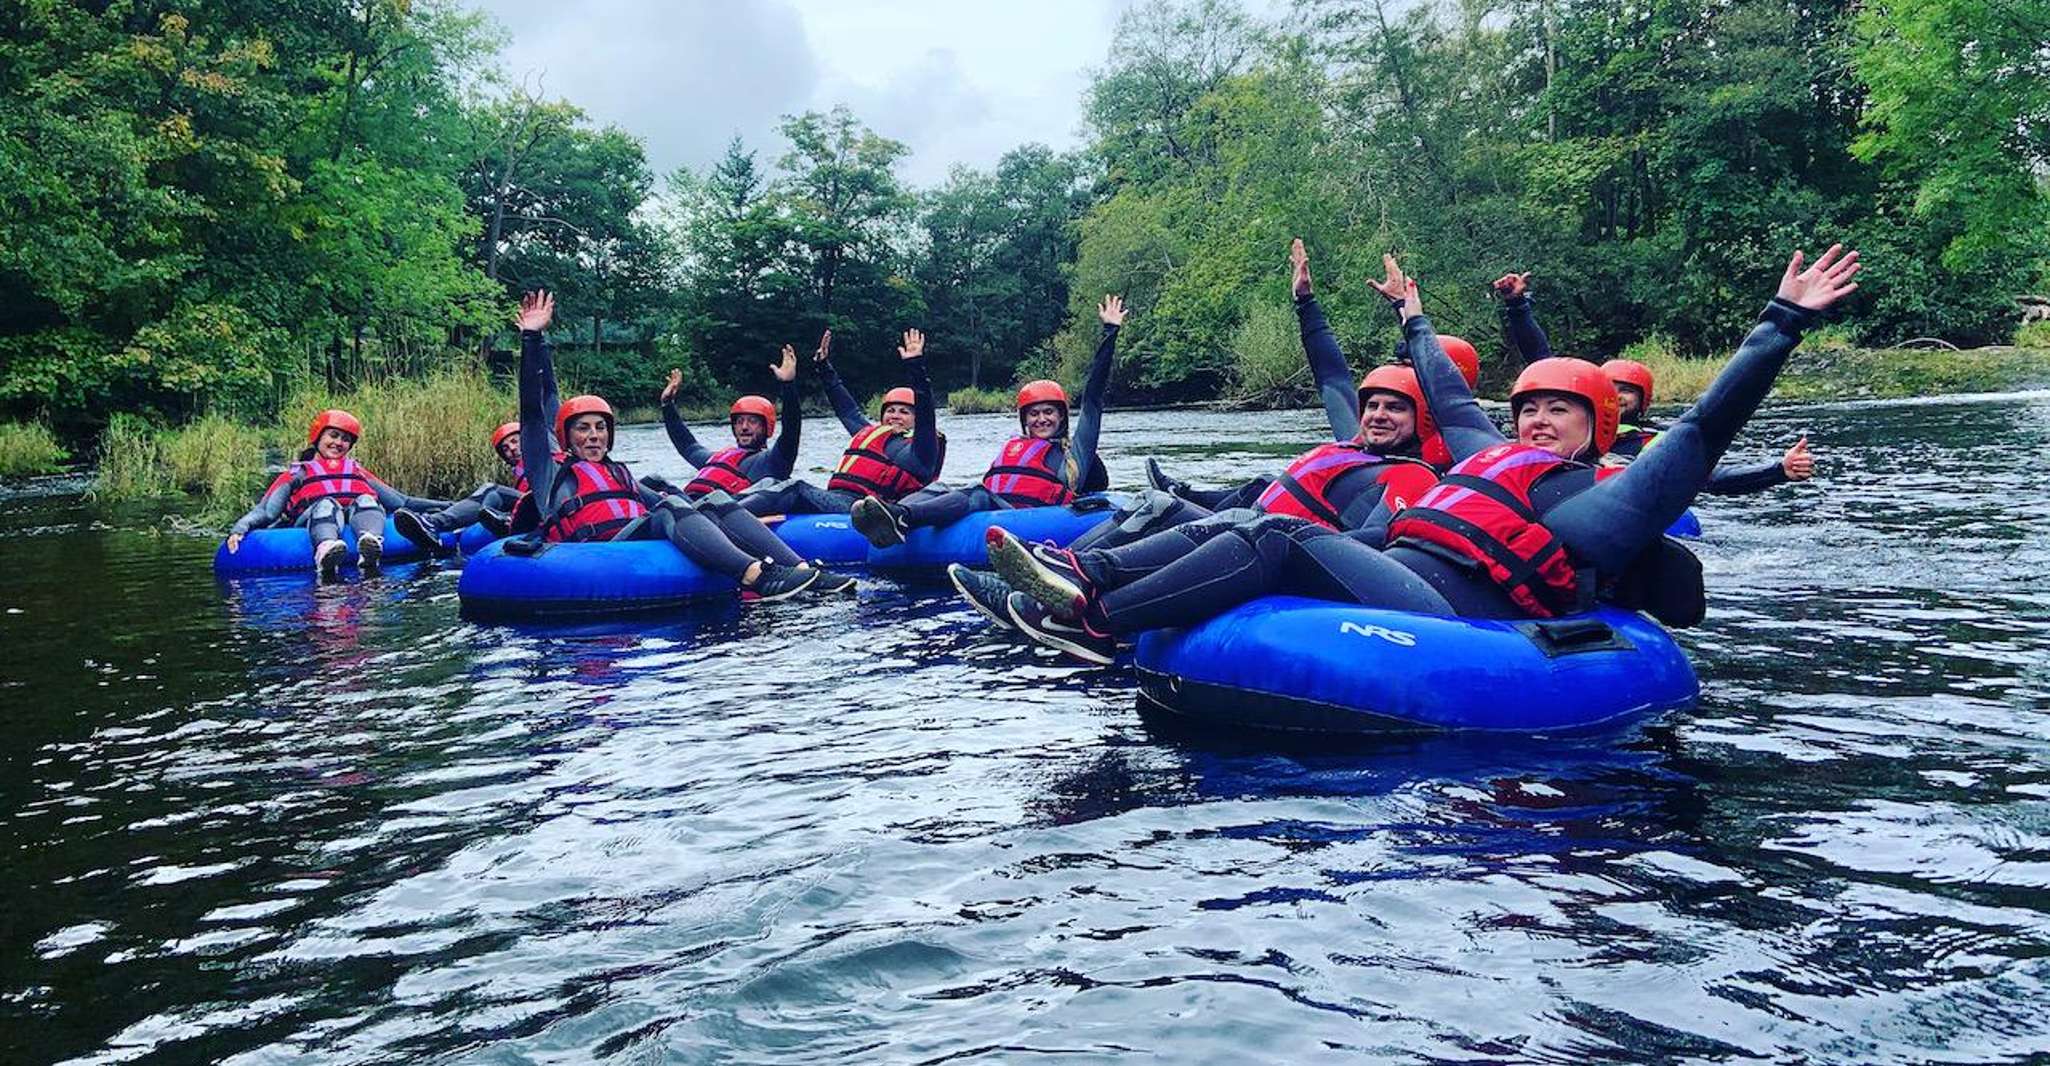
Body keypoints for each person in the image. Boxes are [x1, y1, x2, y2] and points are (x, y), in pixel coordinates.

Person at [988, 244, 1860, 663]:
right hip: (1395, 568)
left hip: (1450, 617)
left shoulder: (1598, 500)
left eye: (1564, 410)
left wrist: (1779, 326)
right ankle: (1078, 574)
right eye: (1531, 407)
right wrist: (1413, 315)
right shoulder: (1485, 450)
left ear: (1597, 428)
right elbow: (1444, 388)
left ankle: (1096, 613)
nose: (1541, 421)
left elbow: (1701, 433)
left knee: (1272, 538)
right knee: (1251, 520)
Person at [948, 241, 1445, 626]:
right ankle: (1056, 574)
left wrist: (1300, 543)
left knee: (1238, 524)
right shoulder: (1355, 443)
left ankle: (1074, 607)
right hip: (1251, 526)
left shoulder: (1416, 476)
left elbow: (1376, 541)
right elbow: (1332, 377)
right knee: (1159, 505)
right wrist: (1305, 303)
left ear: (1422, 415)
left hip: (1285, 551)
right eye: (1373, 405)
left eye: (1395, 408)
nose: (1378, 415)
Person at [510, 290, 855, 600]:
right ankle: (755, 575)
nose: (594, 435)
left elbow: (673, 500)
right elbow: (533, 413)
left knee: (711, 500)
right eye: (583, 429)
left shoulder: (619, 472)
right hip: (599, 553)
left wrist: (712, 512)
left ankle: (803, 572)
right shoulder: (549, 472)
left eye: (600, 428)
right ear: (566, 438)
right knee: (670, 507)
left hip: (636, 541)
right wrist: (533, 339)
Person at [1494, 271, 1816, 494]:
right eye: (1610, 388)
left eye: (1626, 392)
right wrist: (1518, 307)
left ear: (1643, 400)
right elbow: (1545, 367)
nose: (1617, 397)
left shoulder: (1651, 443)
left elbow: (1707, 476)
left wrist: (1777, 470)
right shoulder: (1551, 425)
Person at [849, 296, 1123, 548]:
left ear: (1062, 416)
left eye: (1049, 412)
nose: (1041, 419)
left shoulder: (1075, 456)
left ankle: (902, 517)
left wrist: (1109, 333)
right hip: (996, 509)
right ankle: (884, 516)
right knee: (940, 488)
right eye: (1034, 413)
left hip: (1027, 520)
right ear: (1024, 419)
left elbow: (1093, 401)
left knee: (977, 494)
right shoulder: (1017, 447)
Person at [735, 328, 945, 517]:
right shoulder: (870, 434)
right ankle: (718, 510)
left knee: (794, 488)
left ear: (916, 419)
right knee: (771, 483)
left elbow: (926, 411)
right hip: (836, 499)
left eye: (904, 412)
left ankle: (724, 518)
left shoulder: (921, 451)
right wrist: (823, 367)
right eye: (890, 410)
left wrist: (915, 366)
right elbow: (847, 410)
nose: (895, 415)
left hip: (862, 508)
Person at [226, 409, 449, 579]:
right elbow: (267, 511)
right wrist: (240, 528)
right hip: (312, 519)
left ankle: (370, 543)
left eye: (345, 439)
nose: (338, 443)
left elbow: (401, 501)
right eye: (333, 435)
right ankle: (325, 548)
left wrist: (448, 506)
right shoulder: (298, 472)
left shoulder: (356, 470)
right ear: (318, 437)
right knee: (326, 503)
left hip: (357, 519)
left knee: (366, 499)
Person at [658, 340, 803, 499]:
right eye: (739, 422)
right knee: (652, 481)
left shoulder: (772, 462)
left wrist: (788, 385)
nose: (744, 427)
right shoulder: (715, 458)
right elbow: (687, 445)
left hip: (722, 515)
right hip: (688, 509)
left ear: (767, 426)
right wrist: (667, 405)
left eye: (752, 422)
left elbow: (791, 430)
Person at [391, 421, 530, 553]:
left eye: (514, 441)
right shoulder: (518, 473)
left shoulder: (544, 456)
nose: (511, 449)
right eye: (505, 448)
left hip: (540, 507)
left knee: (491, 490)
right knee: (486, 508)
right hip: (526, 511)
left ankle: (433, 523)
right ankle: (503, 522)